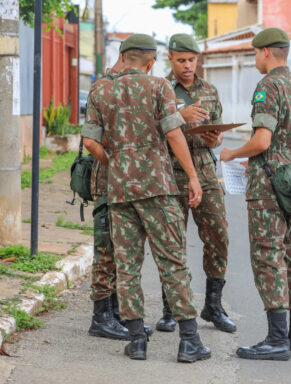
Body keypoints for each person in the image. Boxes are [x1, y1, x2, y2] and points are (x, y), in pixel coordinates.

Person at [83, 34, 210, 363]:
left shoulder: (100, 90)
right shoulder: (158, 87)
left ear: (123, 57)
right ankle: (190, 341)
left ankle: (137, 340)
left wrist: (120, 164)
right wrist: (193, 176)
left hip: (120, 191)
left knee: (126, 268)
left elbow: (91, 144)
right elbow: (172, 132)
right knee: (173, 264)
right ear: (152, 62)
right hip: (158, 189)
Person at [220, 27, 291, 361]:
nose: (255, 60)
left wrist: (234, 154)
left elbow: (262, 141)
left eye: (255, 54)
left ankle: (276, 340)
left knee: (268, 256)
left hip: (269, 187)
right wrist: (276, 156)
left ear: (265, 53)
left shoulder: (268, 86)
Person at [156, 33, 236, 334]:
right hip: (170, 172)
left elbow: (216, 132)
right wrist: (179, 113)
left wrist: (215, 138)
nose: (187, 66)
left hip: (204, 169)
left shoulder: (210, 91)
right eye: (181, 60)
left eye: (191, 60)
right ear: (170, 58)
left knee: (218, 236)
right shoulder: (161, 88)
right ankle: (170, 309)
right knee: (171, 241)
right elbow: (151, 128)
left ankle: (213, 306)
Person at [83, 46, 153, 341]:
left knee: (119, 250)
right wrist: (119, 164)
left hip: (122, 182)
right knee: (105, 250)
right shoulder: (103, 87)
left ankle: (115, 314)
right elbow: (90, 141)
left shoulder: (123, 86)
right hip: (108, 183)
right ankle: (101, 317)